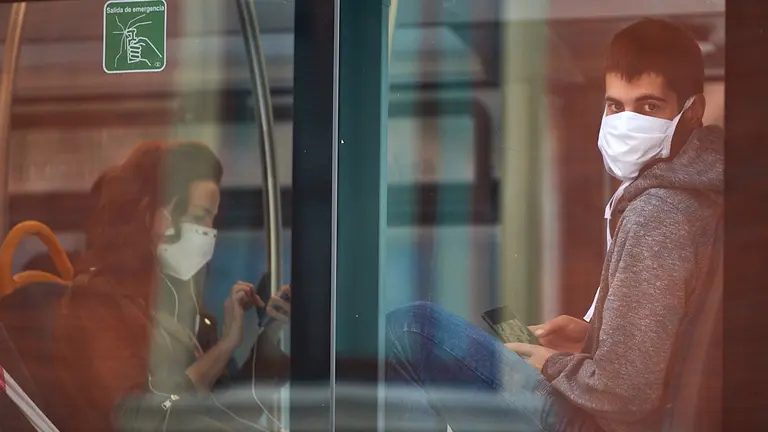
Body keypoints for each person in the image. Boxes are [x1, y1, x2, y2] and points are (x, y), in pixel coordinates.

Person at [385, 18, 723, 432]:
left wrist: (552, 364)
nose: (626, 122)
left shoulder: (659, 214)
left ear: (693, 112)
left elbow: (624, 396)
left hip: (593, 424)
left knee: (410, 327)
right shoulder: (695, 198)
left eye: (649, 107)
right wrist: (590, 336)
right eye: (615, 106)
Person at [49, 141, 291, 431]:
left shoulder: (188, 313)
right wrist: (224, 347)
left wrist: (268, 339)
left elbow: (229, 413)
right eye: (200, 216)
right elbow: (142, 418)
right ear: (151, 214)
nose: (208, 233)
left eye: (213, 220)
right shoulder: (97, 305)